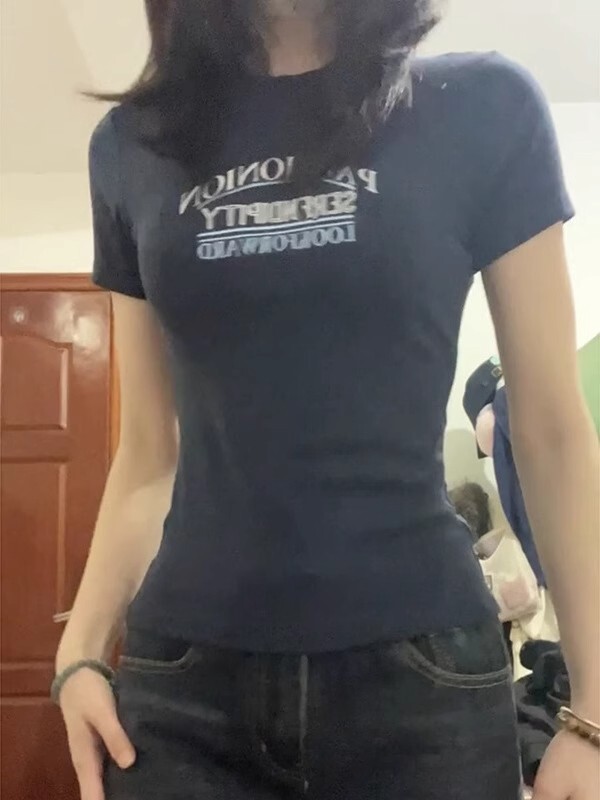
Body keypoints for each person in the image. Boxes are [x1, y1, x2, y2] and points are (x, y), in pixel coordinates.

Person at [55, 2, 600, 799]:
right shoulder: (133, 145)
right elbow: (147, 454)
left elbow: (550, 430)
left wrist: (593, 710)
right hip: (183, 696)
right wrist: (79, 654)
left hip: (423, 689)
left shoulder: (484, 108)